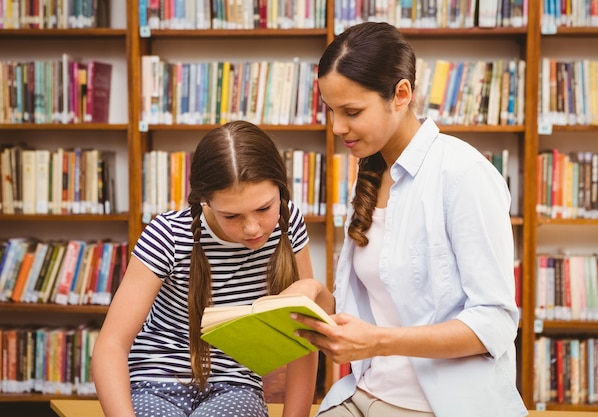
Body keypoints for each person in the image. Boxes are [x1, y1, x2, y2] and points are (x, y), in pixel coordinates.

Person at [293, 22, 528, 417]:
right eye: (332, 111)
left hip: (437, 406)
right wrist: (314, 296)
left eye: (352, 111)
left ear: (401, 94)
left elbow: (495, 323)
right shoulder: (371, 174)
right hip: (362, 393)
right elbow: (384, 307)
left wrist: (379, 342)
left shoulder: (463, 174)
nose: (337, 128)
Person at [92, 120, 334, 417]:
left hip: (235, 386)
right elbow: (111, 345)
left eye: (263, 208)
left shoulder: (289, 223)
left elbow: (304, 336)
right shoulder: (168, 234)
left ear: (281, 190)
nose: (252, 228)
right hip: (154, 382)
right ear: (205, 200)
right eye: (231, 215)